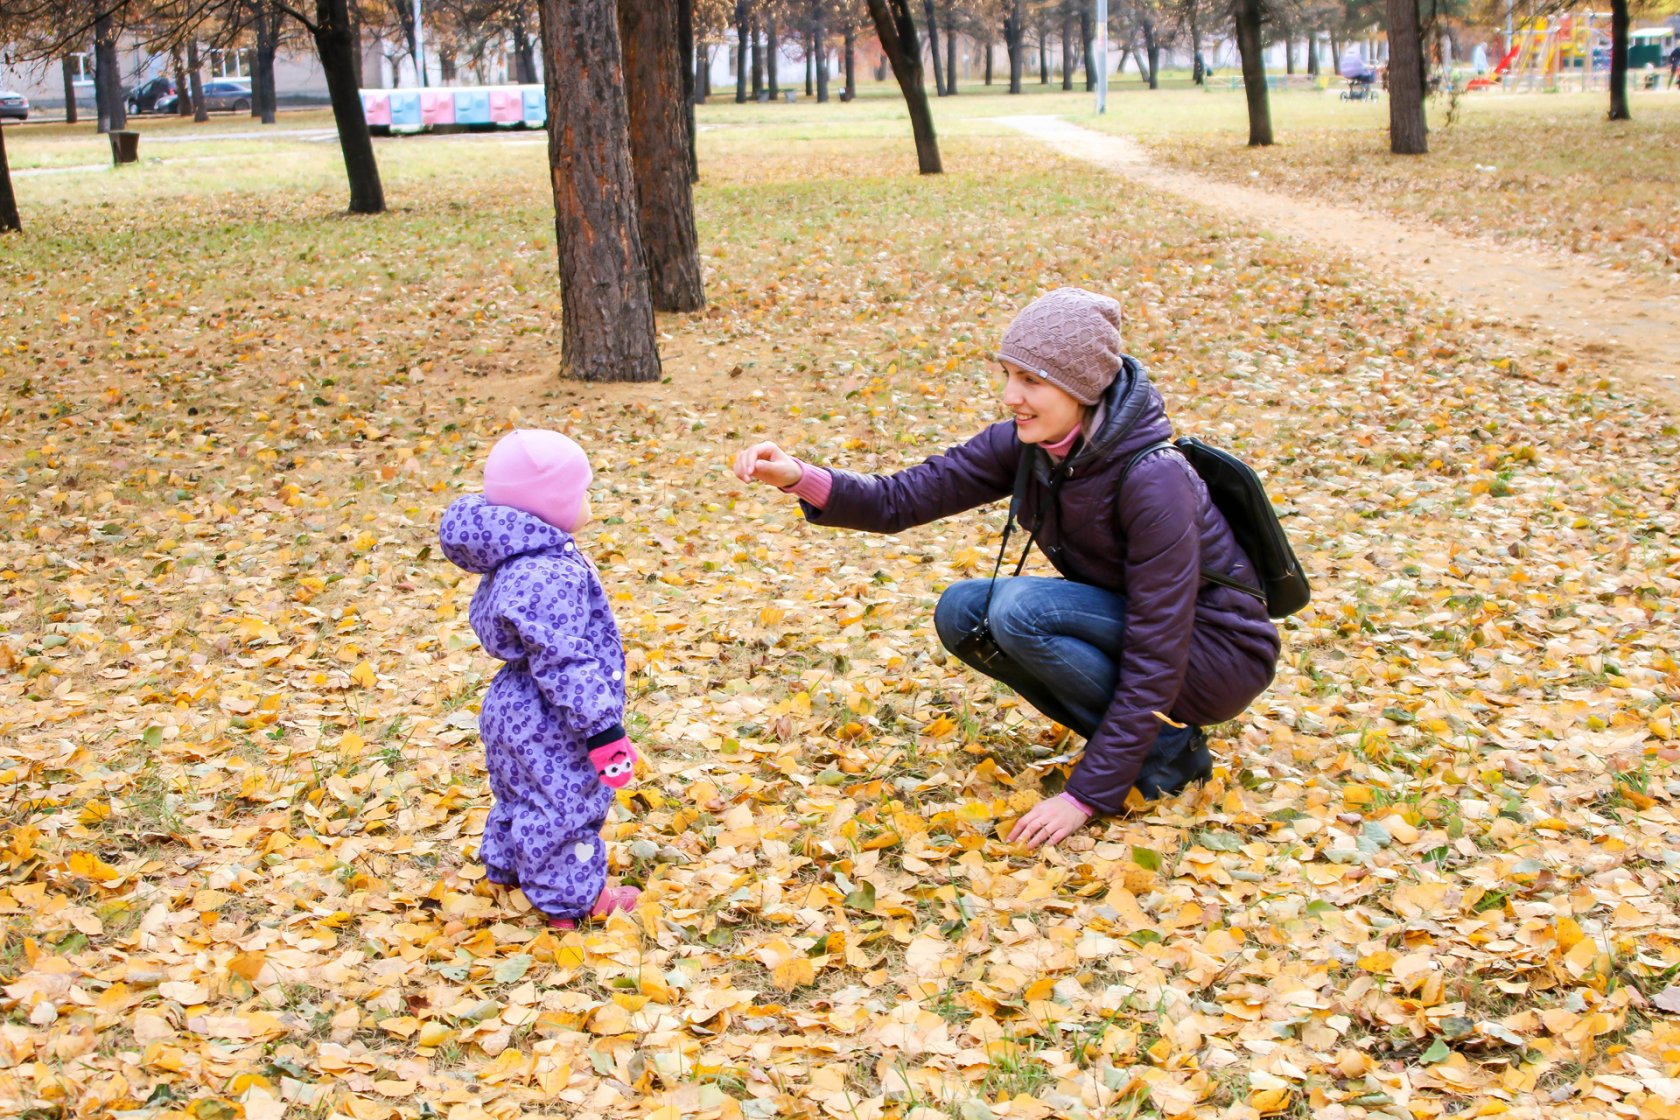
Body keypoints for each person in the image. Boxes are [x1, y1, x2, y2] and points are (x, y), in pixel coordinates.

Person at [733, 288, 1282, 851]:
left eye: (1032, 381)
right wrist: (798, 476)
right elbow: (902, 498)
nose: (1010, 396)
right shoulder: (1030, 445)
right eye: (1007, 374)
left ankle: (1145, 758)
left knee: (1018, 612)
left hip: (1217, 655)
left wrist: (1085, 796)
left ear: (1082, 386)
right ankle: (1157, 750)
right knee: (963, 611)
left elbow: (1157, 642)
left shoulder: (1154, 478)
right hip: (1144, 634)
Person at [439, 430, 641, 929]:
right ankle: (572, 902)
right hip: (550, 717)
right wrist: (602, 731)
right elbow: (565, 661)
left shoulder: (519, 557)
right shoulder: (547, 572)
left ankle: (508, 871)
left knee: (519, 792)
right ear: (553, 504)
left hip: (513, 705)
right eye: (582, 492)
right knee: (565, 804)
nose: (589, 501)